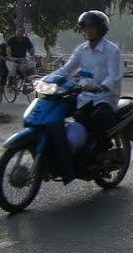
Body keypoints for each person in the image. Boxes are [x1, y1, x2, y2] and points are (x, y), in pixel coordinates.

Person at [52, 11, 124, 150]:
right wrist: (44, 80)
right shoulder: (81, 50)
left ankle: (101, 150)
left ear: (100, 28)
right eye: (85, 27)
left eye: (91, 26)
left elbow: (114, 76)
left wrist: (101, 87)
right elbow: (66, 70)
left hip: (105, 97)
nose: (87, 30)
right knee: (60, 110)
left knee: (97, 118)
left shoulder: (111, 50)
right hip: (84, 95)